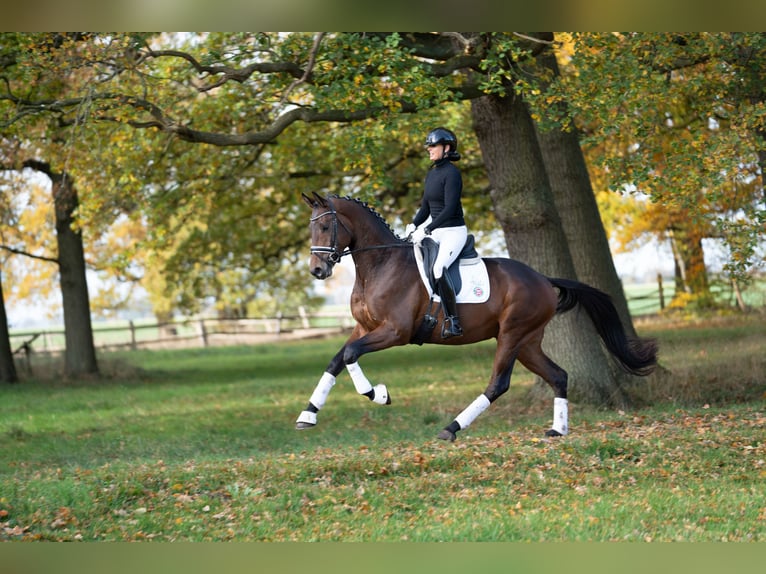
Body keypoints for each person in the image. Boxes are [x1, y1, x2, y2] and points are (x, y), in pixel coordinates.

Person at [405, 127, 467, 338]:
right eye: (428, 146)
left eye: (433, 146)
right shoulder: (432, 173)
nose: (429, 149)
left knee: (439, 268)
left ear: (446, 148)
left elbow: (449, 208)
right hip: (437, 231)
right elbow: (425, 208)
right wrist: (414, 225)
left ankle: (453, 322)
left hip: (453, 232)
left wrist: (428, 228)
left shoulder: (452, 174)